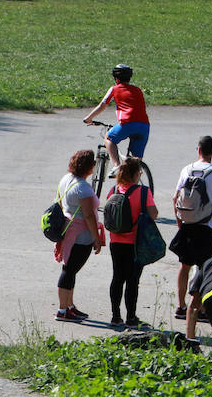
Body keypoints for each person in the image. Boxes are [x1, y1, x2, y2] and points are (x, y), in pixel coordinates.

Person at [172, 135, 212, 321]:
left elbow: (175, 198)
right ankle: (201, 308)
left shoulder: (187, 169)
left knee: (184, 267)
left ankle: (181, 306)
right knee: (204, 268)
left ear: (198, 149)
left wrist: (180, 221)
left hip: (188, 225)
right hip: (207, 227)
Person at [105, 157, 157, 328]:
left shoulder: (114, 190)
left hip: (116, 241)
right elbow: (154, 214)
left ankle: (115, 316)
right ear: (136, 174)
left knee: (117, 277)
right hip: (135, 243)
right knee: (132, 280)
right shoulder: (143, 192)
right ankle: (131, 317)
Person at [52, 150, 103, 322]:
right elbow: (88, 215)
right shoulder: (83, 188)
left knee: (71, 271)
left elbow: (60, 202)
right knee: (69, 271)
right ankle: (62, 310)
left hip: (68, 231)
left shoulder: (66, 179)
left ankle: (69, 306)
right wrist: (97, 238)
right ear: (89, 167)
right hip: (81, 236)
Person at [82, 64, 150, 177]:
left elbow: (102, 106)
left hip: (127, 123)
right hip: (144, 126)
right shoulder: (138, 90)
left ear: (116, 78)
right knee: (136, 162)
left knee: (109, 138)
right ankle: (136, 179)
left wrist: (88, 118)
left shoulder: (114, 89)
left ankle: (117, 166)